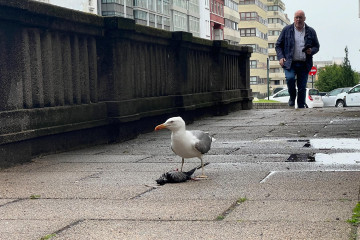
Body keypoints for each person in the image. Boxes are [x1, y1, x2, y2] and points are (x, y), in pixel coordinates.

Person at [275, 10, 320, 108]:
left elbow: (317, 46)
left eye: (300, 17)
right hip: (289, 63)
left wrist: (311, 50)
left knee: (302, 87)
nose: (298, 19)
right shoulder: (287, 30)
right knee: (290, 79)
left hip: (304, 63)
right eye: (296, 17)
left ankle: (301, 106)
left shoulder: (311, 31)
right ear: (294, 18)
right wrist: (281, 57)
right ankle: (292, 97)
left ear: (304, 19)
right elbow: (278, 45)